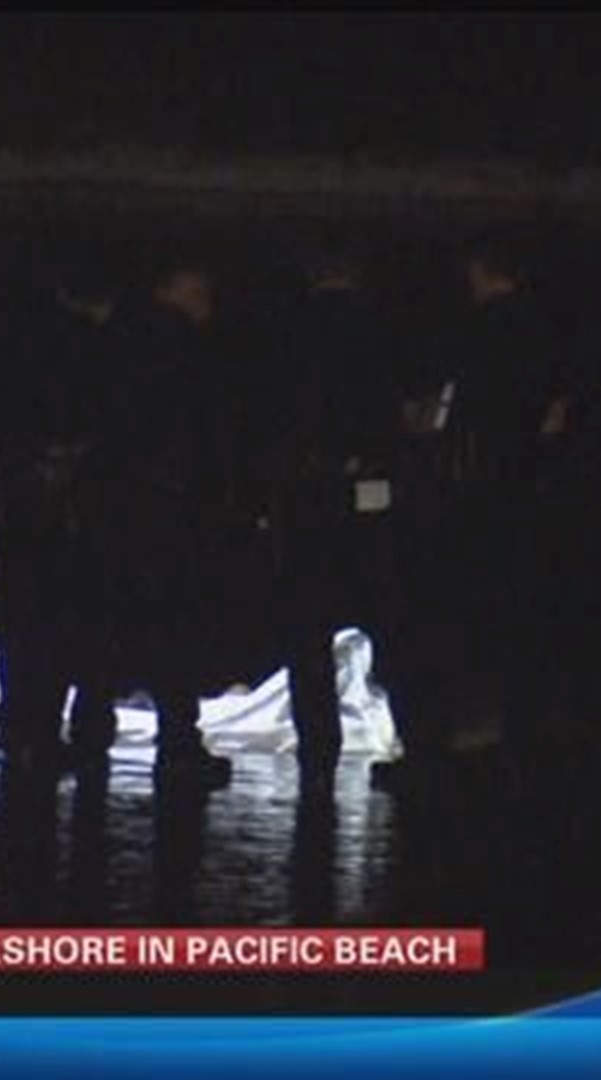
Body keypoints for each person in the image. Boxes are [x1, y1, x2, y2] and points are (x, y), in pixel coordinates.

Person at [384, 235, 585, 785]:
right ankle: (519, 740)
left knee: (451, 623)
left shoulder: (464, 338)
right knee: (519, 624)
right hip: (526, 497)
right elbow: (556, 419)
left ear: (477, 272)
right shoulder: (549, 338)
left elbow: (429, 417)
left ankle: (446, 743)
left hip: (465, 499)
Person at [68, 259, 237, 788]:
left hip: (109, 504)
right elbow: (209, 431)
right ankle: (178, 742)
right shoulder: (189, 352)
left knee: (103, 623)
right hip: (167, 508)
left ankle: (90, 733)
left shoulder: (112, 341)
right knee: (171, 628)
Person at [254, 249, 412, 790]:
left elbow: (270, 418)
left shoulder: (288, 336)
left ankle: (318, 749)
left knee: (308, 632)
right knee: (390, 622)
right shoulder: (382, 334)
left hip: (306, 498)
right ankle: (413, 738)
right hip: (371, 494)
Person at [0, 266, 118, 774]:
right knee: (75, 624)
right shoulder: (101, 358)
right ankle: (80, 727)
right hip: (74, 514)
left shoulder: (25, 356)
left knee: (26, 627)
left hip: (28, 511)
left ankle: (22, 728)